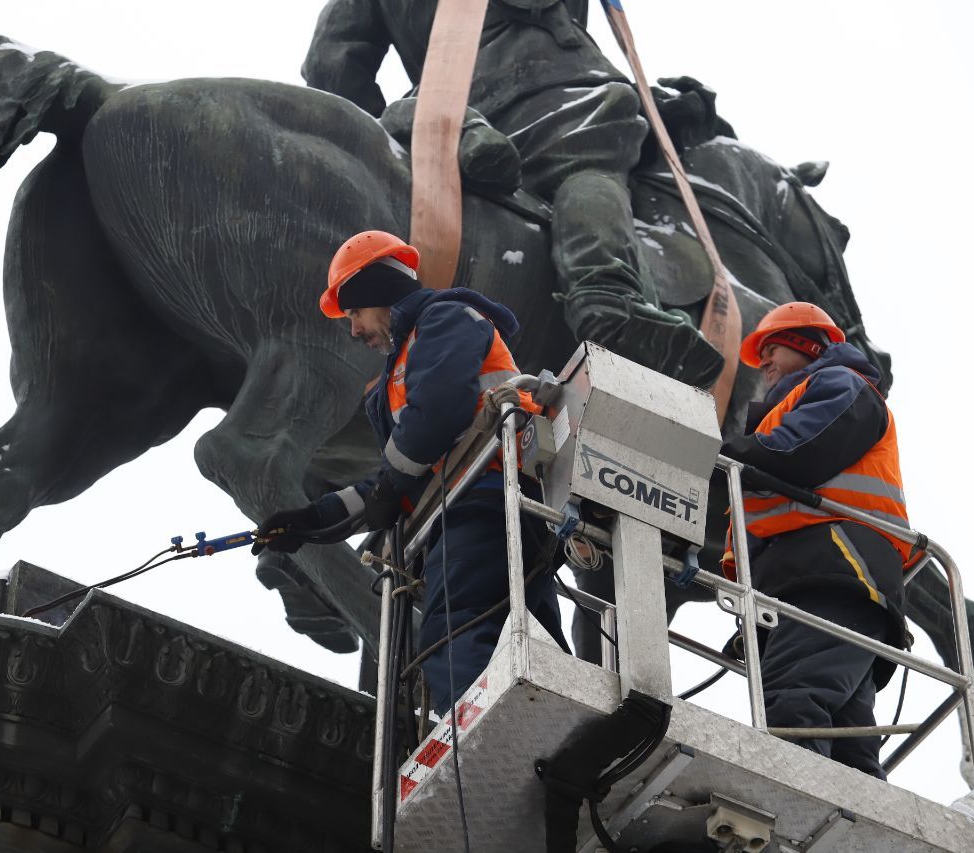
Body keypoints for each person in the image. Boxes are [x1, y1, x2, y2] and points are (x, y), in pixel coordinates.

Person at [302, 0, 723, 387]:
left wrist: (387, 146)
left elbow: (331, 64)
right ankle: (606, 298)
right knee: (585, 160)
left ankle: (464, 132)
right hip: (557, 86)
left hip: (443, 115)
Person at [253, 230, 567, 711]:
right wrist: (312, 520)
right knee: (535, 648)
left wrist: (391, 484)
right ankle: (564, 741)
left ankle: (485, 741)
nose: (354, 331)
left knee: (452, 634)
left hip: (482, 499)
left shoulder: (444, 318)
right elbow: (396, 482)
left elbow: (438, 411)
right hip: (493, 505)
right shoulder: (404, 365)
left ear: (377, 292)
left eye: (355, 312)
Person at [721, 302, 910, 778]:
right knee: (850, 747)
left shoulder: (841, 384)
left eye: (772, 347)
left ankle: (790, 807)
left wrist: (716, 449)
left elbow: (800, 451)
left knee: (793, 704)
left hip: (836, 570)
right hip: (814, 581)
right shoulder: (783, 410)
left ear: (808, 345)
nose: (763, 361)